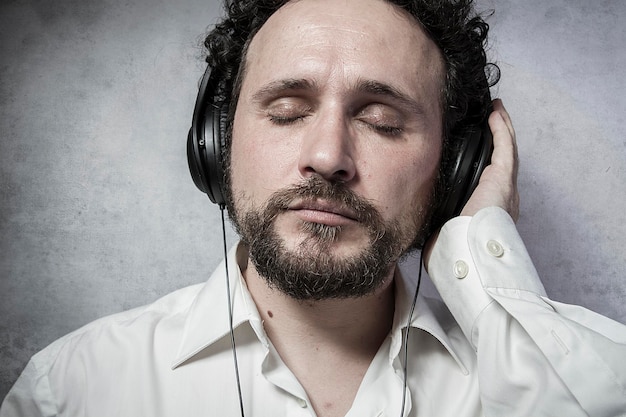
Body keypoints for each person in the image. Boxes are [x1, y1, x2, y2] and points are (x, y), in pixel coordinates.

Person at [2, 0, 626, 416]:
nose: (328, 155)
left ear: (457, 165)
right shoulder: (73, 390)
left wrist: (489, 275)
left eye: (381, 121)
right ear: (216, 143)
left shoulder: (543, 372)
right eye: (286, 111)